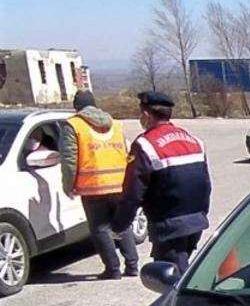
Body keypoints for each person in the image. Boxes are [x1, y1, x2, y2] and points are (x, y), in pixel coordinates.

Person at [114, 91, 212, 272]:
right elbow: (206, 185)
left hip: (168, 225)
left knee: (171, 277)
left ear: (146, 115)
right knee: (183, 269)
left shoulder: (145, 145)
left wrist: (119, 225)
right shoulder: (194, 141)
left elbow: (133, 192)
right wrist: (202, 213)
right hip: (195, 222)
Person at [61, 90, 139, 279]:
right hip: (119, 182)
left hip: (93, 185)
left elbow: (69, 159)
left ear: (77, 107)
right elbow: (127, 150)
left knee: (100, 228)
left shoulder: (73, 125)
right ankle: (132, 266)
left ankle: (112, 269)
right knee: (122, 224)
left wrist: (68, 185)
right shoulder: (114, 124)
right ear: (95, 105)